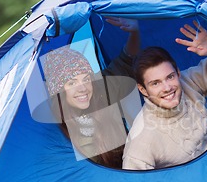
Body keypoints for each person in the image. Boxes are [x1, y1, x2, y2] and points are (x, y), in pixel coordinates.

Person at [122, 21, 207, 170]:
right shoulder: (141, 139)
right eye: (155, 83)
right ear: (143, 90)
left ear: (178, 73)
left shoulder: (189, 82)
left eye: (170, 77)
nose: (167, 88)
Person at [44, 17, 140, 168]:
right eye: (72, 83)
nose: (82, 88)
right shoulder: (53, 127)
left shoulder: (100, 92)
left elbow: (126, 59)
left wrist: (134, 32)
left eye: (86, 79)